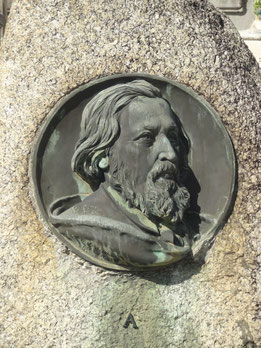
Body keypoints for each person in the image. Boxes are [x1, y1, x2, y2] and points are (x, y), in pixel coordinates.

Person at [49, 80, 192, 270]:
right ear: (102, 156)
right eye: (147, 138)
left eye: (172, 137)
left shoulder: (189, 228)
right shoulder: (85, 227)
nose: (171, 154)